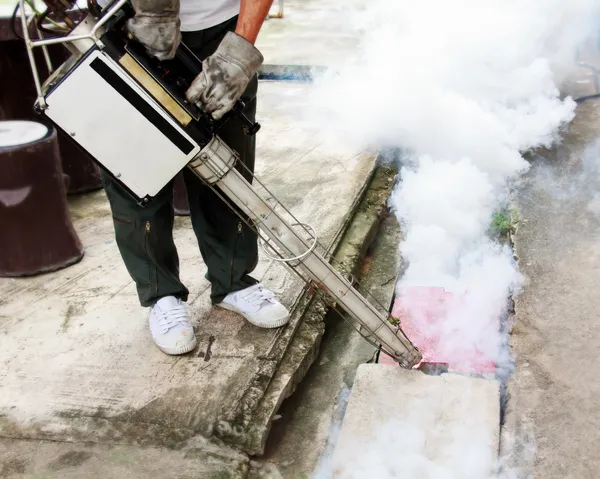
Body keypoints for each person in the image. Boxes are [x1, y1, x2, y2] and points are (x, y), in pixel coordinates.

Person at [100, 0, 290, 356]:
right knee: (137, 168)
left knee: (226, 165)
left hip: (222, 29)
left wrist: (239, 51)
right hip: (132, 23)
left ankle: (233, 280)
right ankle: (161, 294)